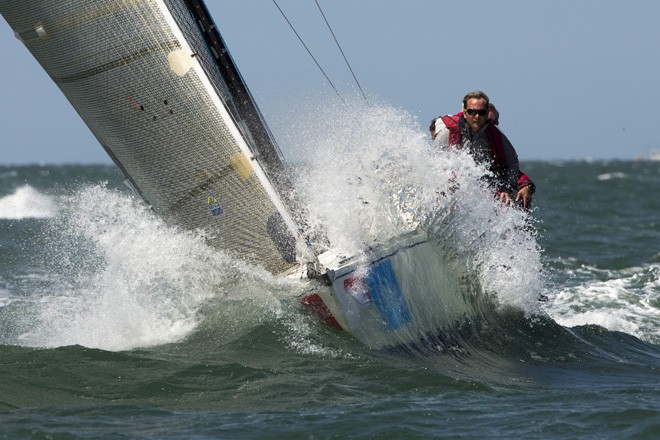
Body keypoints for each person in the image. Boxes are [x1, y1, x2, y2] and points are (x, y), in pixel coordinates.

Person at [431, 91, 535, 210]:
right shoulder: (448, 133)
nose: (477, 116)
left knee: (521, 196)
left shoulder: (496, 136)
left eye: (481, 112)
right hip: (449, 189)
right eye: (472, 112)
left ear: (486, 114)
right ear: (464, 113)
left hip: (482, 190)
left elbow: (512, 163)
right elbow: (433, 165)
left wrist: (507, 188)